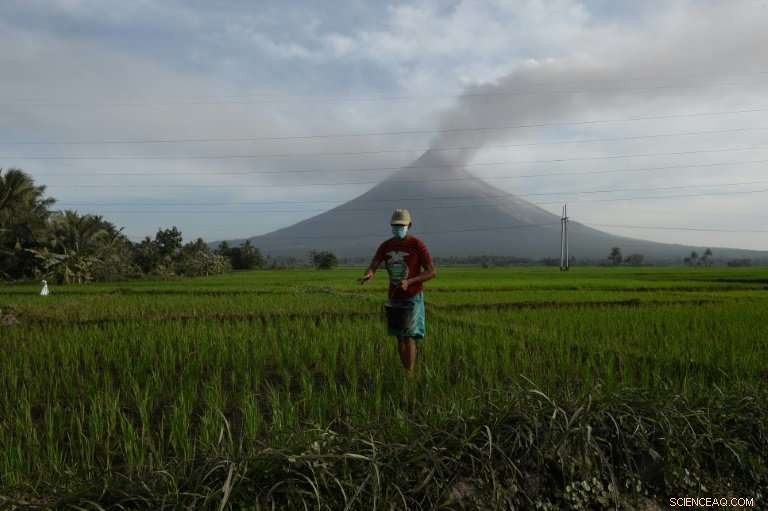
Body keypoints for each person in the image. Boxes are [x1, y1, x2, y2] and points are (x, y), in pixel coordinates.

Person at [358, 209, 436, 372]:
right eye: (395, 225)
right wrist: (369, 274)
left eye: (401, 225)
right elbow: (374, 264)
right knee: (399, 338)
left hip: (412, 297)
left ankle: (410, 375)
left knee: (408, 337)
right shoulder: (386, 246)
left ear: (409, 225)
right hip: (394, 298)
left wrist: (410, 281)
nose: (398, 228)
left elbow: (431, 272)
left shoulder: (417, 245)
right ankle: (405, 370)